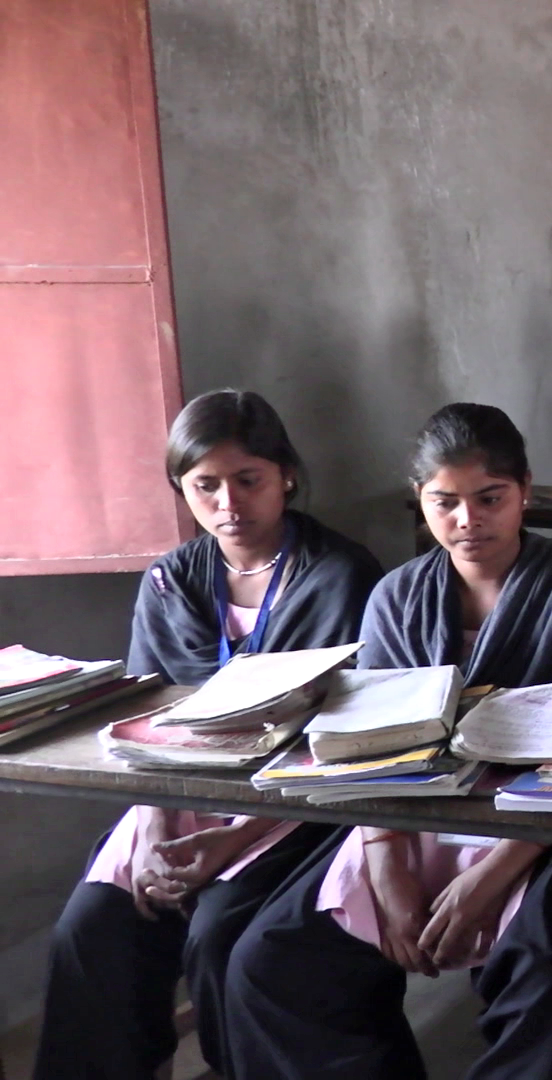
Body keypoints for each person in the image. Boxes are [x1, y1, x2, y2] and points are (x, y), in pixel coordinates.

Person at [224, 404, 552, 1080]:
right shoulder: (395, 598)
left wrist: (489, 878)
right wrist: (387, 867)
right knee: (270, 962)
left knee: (538, 974)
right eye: (445, 502)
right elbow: (365, 749)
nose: (468, 520)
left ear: (525, 491)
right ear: (419, 500)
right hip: (403, 813)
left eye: (490, 498)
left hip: (540, 826)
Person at [35, 390, 380, 1080]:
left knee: (221, 937)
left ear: (286, 475)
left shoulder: (341, 575)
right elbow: (145, 723)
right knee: (91, 931)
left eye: (248, 480)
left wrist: (232, 836)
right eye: (205, 486)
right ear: (181, 488)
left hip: (289, 800)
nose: (228, 504)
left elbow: (344, 737)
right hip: (171, 791)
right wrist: (155, 826)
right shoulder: (171, 580)